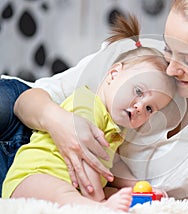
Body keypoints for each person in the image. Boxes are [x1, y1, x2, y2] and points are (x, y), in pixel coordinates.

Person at [1, 0, 188, 211]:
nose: (171, 69)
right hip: (24, 134)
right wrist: (60, 122)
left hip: (63, 184)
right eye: (170, 49)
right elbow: (26, 98)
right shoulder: (143, 60)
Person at [1, 15, 177, 212]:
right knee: (66, 194)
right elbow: (88, 159)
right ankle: (97, 206)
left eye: (149, 108)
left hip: (68, 183)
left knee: (120, 197)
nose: (139, 107)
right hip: (35, 176)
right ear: (113, 74)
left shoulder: (116, 129)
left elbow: (114, 164)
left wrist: (140, 186)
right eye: (138, 92)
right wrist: (98, 201)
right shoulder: (88, 104)